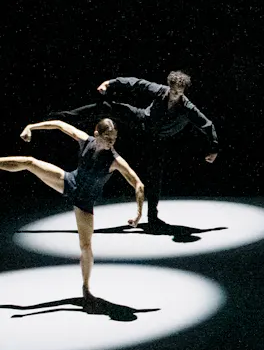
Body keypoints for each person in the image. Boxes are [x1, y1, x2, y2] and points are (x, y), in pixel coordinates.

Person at [0, 118, 144, 299]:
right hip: (69, 182)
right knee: (30, 162)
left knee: (85, 245)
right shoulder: (85, 141)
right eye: (107, 137)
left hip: (84, 202)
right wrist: (30, 126)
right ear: (96, 133)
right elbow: (60, 125)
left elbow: (138, 184)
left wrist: (139, 213)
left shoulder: (114, 160)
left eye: (114, 139)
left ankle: (86, 288)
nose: (110, 142)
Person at [51, 70, 217, 225]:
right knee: (109, 107)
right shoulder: (160, 90)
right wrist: (110, 83)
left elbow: (207, 125)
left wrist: (214, 148)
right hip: (143, 120)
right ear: (170, 87)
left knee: (155, 173)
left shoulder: (188, 108)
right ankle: (62, 117)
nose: (175, 96)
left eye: (179, 94)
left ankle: (152, 216)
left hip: (158, 138)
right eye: (173, 92)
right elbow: (136, 83)